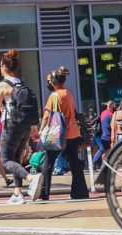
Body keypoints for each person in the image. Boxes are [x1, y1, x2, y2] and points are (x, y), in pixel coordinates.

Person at [0, 49, 40, 205]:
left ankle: (31, 178)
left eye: (0, 65)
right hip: (25, 126)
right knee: (16, 159)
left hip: (11, 125)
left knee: (6, 160)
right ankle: (17, 193)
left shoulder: (1, 85)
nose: (0, 67)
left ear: (4, 67)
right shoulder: (21, 83)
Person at [36, 67, 89, 201]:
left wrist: (41, 131)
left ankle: (44, 192)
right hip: (73, 133)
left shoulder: (54, 96)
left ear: (53, 82)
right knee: (75, 164)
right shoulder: (69, 94)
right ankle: (80, 191)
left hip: (57, 134)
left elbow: (47, 116)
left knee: (48, 163)